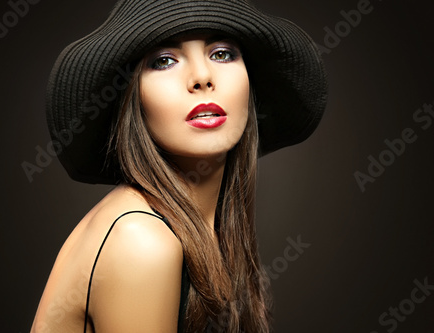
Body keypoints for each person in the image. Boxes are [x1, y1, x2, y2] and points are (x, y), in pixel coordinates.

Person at [31, 0, 327, 332]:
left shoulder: (190, 230)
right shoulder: (141, 240)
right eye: (164, 61)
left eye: (222, 54)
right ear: (133, 98)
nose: (201, 77)